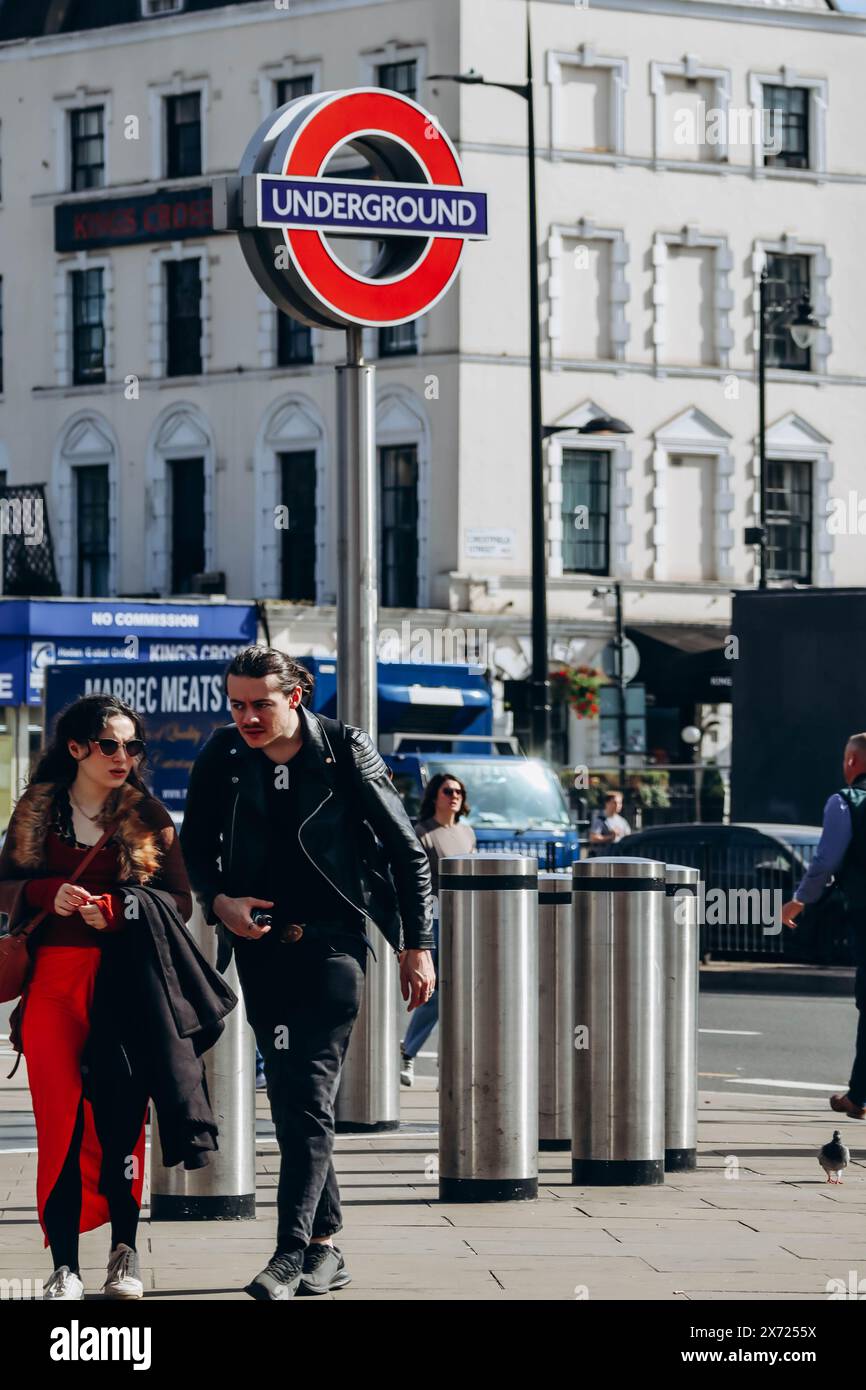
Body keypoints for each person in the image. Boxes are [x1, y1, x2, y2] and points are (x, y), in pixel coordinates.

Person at [180, 646, 435, 1300]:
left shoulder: (344, 749)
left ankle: (290, 1254)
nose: (247, 717)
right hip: (262, 950)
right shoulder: (224, 755)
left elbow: (408, 853)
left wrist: (417, 944)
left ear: (296, 696)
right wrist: (218, 903)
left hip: (332, 946)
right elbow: (194, 848)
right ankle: (326, 1247)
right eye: (236, 704)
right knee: (295, 1097)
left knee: (306, 1094)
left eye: (260, 703)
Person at [0, 694, 228, 1302]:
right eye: (110, 745)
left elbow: (179, 903)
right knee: (60, 1123)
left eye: (133, 746)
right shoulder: (36, 811)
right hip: (53, 984)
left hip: (128, 984)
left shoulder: (149, 816)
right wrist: (52, 894)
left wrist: (119, 909)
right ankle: (64, 1265)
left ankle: (123, 1254)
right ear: (76, 749)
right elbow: (6, 890)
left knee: (123, 1120)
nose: (124, 756)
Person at [782, 732, 866, 1120]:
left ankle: (859, 1096)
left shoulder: (845, 802)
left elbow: (825, 862)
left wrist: (799, 900)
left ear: (851, 761)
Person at [400, 773, 476, 1087]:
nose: (454, 795)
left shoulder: (466, 832)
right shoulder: (424, 833)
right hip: (434, 917)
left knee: (462, 990)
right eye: (448, 790)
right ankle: (408, 1052)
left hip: (463, 916)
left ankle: (454, 1057)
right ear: (435, 796)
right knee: (435, 992)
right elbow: (411, 880)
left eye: (459, 790)